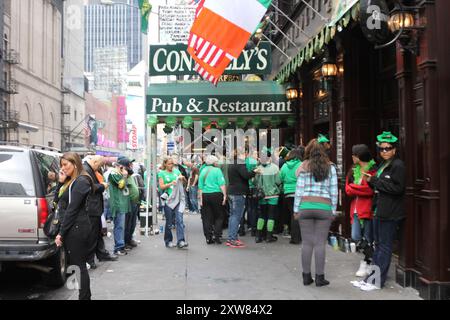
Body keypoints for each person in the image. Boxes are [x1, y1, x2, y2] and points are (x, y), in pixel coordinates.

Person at [353, 132, 406, 292]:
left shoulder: (397, 166)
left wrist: (374, 180)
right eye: (382, 149)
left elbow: (397, 188)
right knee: (378, 246)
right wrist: (371, 182)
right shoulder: (382, 165)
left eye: (388, 148)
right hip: (378, 210)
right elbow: (380, 186)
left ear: (394, 150)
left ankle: (376, 281)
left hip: (389, 212)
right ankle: (371, 279)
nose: (384, 151)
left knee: (383, 247)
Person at [294, 139, 338, 287]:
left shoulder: (303, 167)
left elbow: (299, 190)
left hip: (305, 206)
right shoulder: (331, 167)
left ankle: (306, 277)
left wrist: (296, 210)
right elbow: (334, 190)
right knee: (320, 243)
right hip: (324, 207)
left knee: (307, 243)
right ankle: (320, 277)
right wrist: (332, 210)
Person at [55, 152, 93, 300]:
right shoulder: (71, 181)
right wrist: (60, 182)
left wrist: (61, 233)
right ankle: (83, 296)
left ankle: (84, 297)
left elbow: (72, 209)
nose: (63, 168)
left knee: (78, 266)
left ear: (75, 163)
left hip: (77, 228)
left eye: (65, 165)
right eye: (61, 165)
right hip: (73, 227)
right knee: (76, 265)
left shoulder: (81, 181)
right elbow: (59, 202)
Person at [345, 145, 376, 277]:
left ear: (360, 156)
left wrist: (355, 188)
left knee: (368, 238)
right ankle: (371, 258)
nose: (352, 157)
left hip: (367, 208)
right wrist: (356, 188)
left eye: (354, 155)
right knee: (356, 236)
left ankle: (366, 262)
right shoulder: (353, 170)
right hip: (355, 209)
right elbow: (347, 189)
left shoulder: (373, 171)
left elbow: (370, 191)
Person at [83, 155, 118, 269]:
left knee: (97, 233)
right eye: (99, 165)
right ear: (95, 162)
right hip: (92, 208)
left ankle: (101, 254)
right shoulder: (86, 170)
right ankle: (89, 259)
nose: (100, 167)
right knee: (92, 235)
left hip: (95, 207)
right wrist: (102, 186)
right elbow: (89, 188)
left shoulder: (90, 169)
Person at [226, 149, 258, 248]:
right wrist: (254, 171)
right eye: (245, 154)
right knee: (237, 216)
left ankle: (231, 237)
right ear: (242, 154)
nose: (246, 156)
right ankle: (233, 239)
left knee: (232, 215)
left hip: (231, 191)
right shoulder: (240, 163)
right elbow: (246, 175)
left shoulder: (231, 163)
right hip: (238, 192)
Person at [158, 157, 188, 249]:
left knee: (179, 220)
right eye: (170, 164)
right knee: (169, 222)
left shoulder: (177, 172)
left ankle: (181, 241)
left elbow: (185, 183)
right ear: (165, 164)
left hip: (178, 200)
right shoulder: (162, 173)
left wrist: (183, 179)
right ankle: (168, 241)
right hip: (168, 200)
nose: (171, 166)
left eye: (173, 164)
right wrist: (171, 183)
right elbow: (161, 187)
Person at [254, 147, 282, 243]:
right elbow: (278, 181)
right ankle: (269, 236)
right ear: (269, 158)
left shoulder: (258, 168)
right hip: (273, 195)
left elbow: (255, 182)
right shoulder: (275, 168)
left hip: (262, 195)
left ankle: (258, 236)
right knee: (271, 215)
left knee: (261, 215)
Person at [198, 155, 227, 244]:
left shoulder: (203, 171)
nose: (217, 163)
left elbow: (200, 187)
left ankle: (208, 237)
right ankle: (217, 236)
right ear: (214, 163)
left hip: (205, 195)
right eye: (217, 162)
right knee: (219, 216)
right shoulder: (217, 170)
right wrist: (225, 195)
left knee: (207, 217)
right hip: (216, 194)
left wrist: (200, 199)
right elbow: (222, 184)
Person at [279, 147, 304, 245]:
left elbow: (280, 178)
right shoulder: (301, 165)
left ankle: (294, 237)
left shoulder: (284, 166)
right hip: (299, 192)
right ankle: (298, 237)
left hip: (287, 193)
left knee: (292, 215)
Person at [108, 160, 131, 256]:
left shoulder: (119, 173)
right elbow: (121, 185)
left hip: (123, 203)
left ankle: (120, 245)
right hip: (118, 204)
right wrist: (124, 176)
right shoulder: (113, 173)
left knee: (121, 226)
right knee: (119, 226)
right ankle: (118, 247)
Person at [117, 157, 140, 250]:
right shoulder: (122, 175)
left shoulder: (130, 175)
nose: (132, 165)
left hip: (134, 202)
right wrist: (124, 176)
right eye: (130, 164)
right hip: (127, 203)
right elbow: (120, 186)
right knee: (127, 224)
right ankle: (125, 242)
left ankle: (129, 239)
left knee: (132, 223)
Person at [245, 150, 259, 236]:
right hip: (253, 187)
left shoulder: (245, 161)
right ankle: (253, 228)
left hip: (246, 187)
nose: (257, 155)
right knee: (254, 208)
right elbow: (256, 175)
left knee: (248, 207)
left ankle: (248, 225)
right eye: (256, 153)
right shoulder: (254, 162)